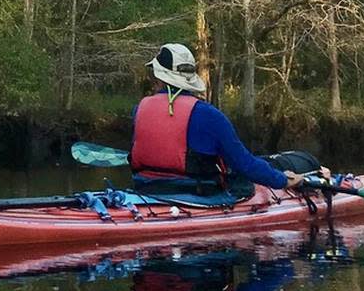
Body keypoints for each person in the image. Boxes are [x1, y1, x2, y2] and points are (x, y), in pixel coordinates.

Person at [131, 43, 327, 195]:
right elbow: (245, 165)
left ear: (159, 77)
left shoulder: (139, 109)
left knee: (262, 163)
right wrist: (283, 181)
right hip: (198, 193)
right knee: (261, 167)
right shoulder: (209, 115)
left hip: (146, 188)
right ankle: (315, 174)